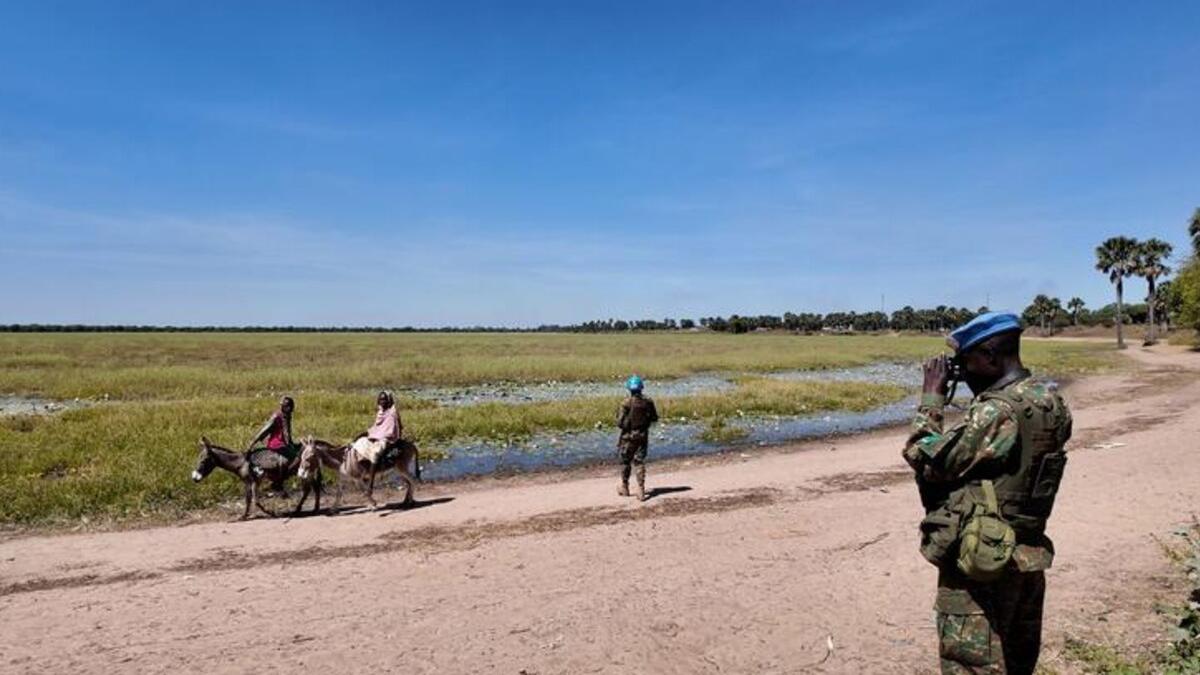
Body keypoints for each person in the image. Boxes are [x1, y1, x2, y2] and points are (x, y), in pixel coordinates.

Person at [902, 312, 1072, 674]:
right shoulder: (1048, 401)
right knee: (1017, 663)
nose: (962, 374)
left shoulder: (996, 412)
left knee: (970, 665)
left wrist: (932, 399)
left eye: (966, 363)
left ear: (992, 356)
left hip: (982, 566)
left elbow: (926, 457)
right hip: (1026, 557)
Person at [616, 375, 659, 501]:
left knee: (625, 461)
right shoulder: (648, 402)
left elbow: (620, 423)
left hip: (627, 437)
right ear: (641, 388)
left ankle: (625, 487)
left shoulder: (625, 403)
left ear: (629, 388)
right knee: (639, 461)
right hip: (642, 435)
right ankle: (641, 489)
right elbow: (654, 418)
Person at [245, 396, 298, 491]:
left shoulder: (287, 415)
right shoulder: (276, 417)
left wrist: (291, 443)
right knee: (296, 457)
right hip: (276, 444)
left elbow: (287, 432)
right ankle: (278, 482)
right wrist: (252, 443)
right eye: (287, 407)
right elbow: (264, 431)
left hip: (284, 443)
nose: (290, 409)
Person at [350, 391, 403, 469]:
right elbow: (377, 427)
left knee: (375, 453)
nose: (382, 402)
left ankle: (371, 479)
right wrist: (365, 434)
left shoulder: (392, 413)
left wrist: (391, 401)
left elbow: (390, 430)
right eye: (381, 400)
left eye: (384, 400)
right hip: (377, 437)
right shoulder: (380, 412)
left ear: (388, 401)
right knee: (360, 443)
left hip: (386, 439)